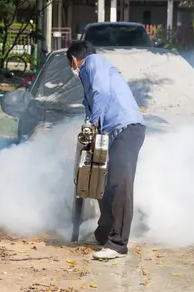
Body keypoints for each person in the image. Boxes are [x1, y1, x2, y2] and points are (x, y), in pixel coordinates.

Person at [66, 40, 146, 261]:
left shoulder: (93, 62)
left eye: (71, 65)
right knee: (103, 182)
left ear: (74, 60)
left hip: (127, 129)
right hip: (114, 134)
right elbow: (92, 106)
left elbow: (101, 94)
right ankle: (104, 233)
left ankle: (118, 243)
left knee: (120, 183)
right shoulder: (88, 81)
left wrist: (92, 124)